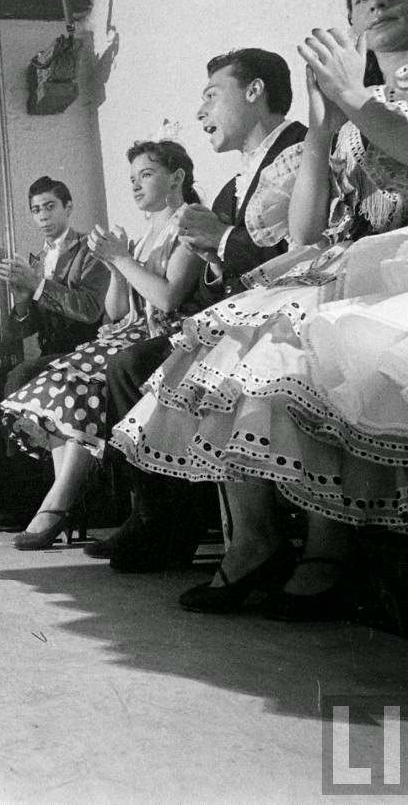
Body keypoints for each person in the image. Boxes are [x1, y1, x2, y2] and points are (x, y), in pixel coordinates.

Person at [109, 0, 408, 619]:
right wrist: (325, 124)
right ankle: (254, 541)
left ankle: (324, 552)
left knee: (306, 330)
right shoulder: (353, 110)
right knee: (232, 338)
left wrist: (352, 97)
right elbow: (307, 230)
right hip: (358, 253)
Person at [90, 47, 308, 569]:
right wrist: (215, 253)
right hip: (241, 311)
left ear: (255, 92)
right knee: (131, 363)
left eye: (212, 96)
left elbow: (304, 246)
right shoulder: (237, 182)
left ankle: (174, 523)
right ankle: (156, 518)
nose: (201, 112)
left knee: (140, 364)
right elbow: (220, 274)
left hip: (288, 311)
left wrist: (220, 242)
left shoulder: (300, 151)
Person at [0, 141, 206, 550]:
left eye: (145, 175)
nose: (135, 185)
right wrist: (116, 266)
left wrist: (120, 260)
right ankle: (62, 498)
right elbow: (115, 311)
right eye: (131, 178)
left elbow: (167, 300)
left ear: (177, 177)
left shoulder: (188, 223)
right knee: (52, 378)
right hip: (134, 333)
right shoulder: (148, 233)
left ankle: (63, 502)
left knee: (78, 377)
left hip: (173, 337)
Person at [0, 175, 110, 529]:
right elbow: (21, 329)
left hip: (91, 351)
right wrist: (23, 297)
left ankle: (43, 501)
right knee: (1, 386)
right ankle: (35, 497)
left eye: (49, 207)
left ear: (68, 207)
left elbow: (89, 309)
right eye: (35, 210)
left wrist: (38, 285)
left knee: (20, 378)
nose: (42, 216)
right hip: (54, 356)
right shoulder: (37, 259)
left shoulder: (91, 250)